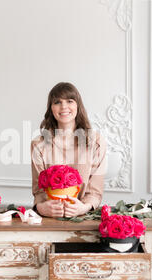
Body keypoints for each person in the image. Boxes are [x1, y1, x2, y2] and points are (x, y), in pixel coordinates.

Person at [31, 82, 107, 218]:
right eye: (57, 102)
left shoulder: (96, 143)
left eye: (69, 101)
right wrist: (42, 208)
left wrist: (82, 208)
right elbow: (39, 192)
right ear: (51, 108)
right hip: (51, 217)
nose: (64, 106)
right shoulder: (38, 145)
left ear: (78, 105)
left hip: (83, 218)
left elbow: (95, 192)